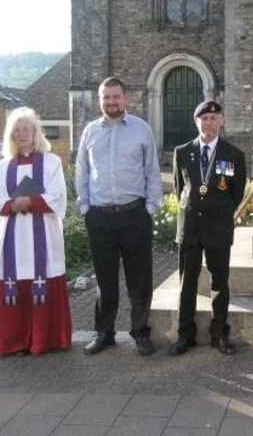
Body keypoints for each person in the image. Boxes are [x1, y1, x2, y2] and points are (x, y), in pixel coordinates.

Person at [75, 76, 163, 356]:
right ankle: (105, 333)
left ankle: (140, 332)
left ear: (125, 98)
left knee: (139, 279)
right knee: (105, 279)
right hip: (100, 218)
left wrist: (150, 208)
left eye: (115, 97)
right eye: (106, 98)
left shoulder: (141, 129)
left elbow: (152, 170)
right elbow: (82, 172)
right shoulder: (90, 131)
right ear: (100, 100)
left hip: (134, 215)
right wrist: (85, 208)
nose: (111, 102)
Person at [0, 107, 72, 355]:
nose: (22, 134)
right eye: (17, 130)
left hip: (43, 233)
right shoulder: (3, 167)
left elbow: (57, 196)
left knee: (44, 276)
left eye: (27, 129)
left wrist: (28, 202)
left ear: (36, 133)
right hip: (13, 237)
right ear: (11, 135)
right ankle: (16, 340)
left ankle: (46, 340)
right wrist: (13, 204)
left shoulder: (51, 162)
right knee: (15, 281)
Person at [169, 100, 246, 356]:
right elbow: (180, 190)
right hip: (190, 228)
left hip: (218, 228)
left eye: (214, 118)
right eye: (204, 118)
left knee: (219, 284)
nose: (209, 123)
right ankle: (185, 335)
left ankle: (220, 334)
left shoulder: (234, 154)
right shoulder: (182, 152)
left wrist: (217, 212)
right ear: (196, 121)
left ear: (221, 121)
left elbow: (236, 195)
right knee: (186, 284)